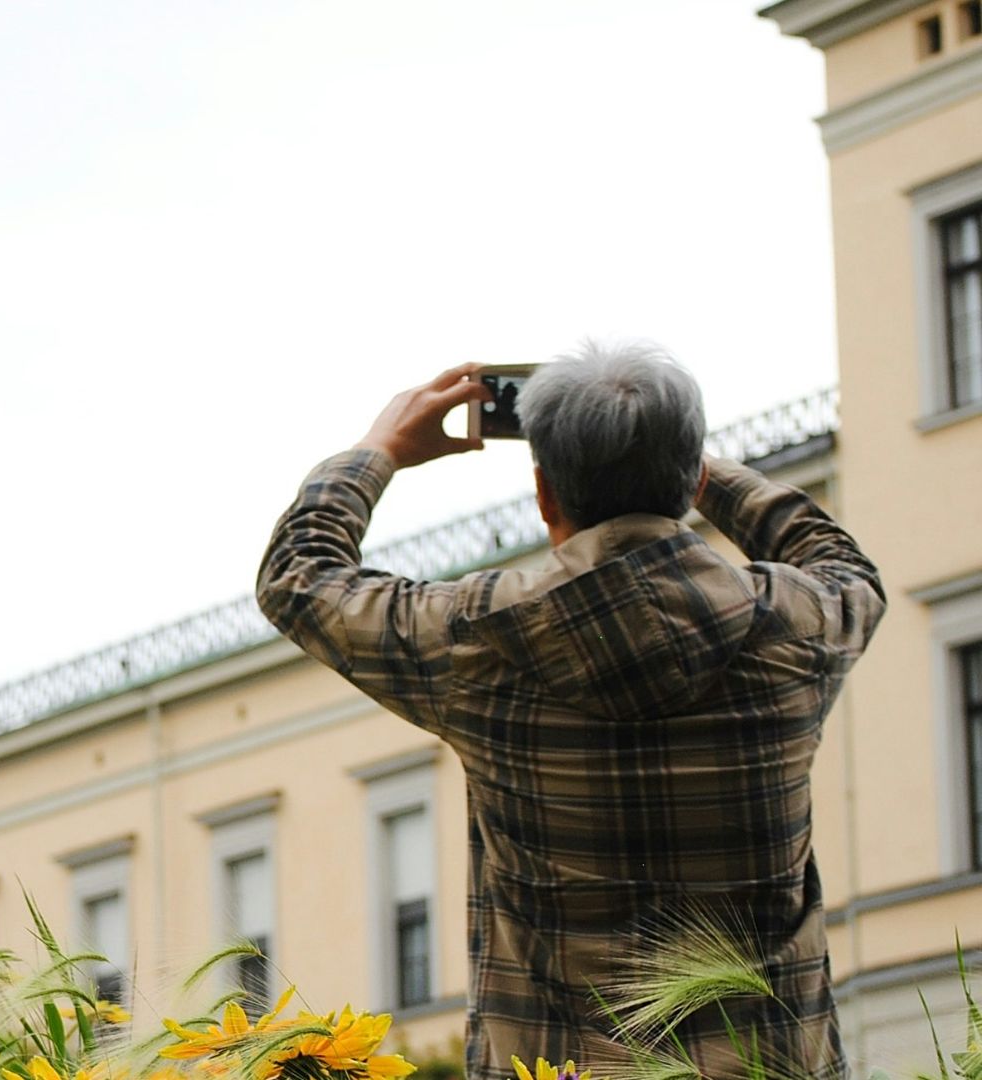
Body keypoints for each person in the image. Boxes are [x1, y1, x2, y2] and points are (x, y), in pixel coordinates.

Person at [255, 343, 883, 1079]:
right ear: (685, 481)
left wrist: (379, 450)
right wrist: (686, 464)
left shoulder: (477, 639)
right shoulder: (797, 625)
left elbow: (299, 577)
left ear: (545, 494)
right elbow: (837, 558)